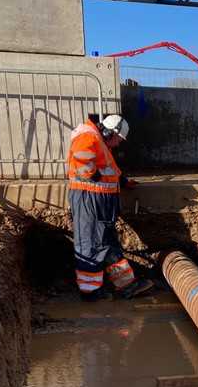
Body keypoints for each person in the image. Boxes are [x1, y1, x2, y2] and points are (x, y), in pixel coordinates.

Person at [66, 114, 154, 301]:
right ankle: (90, 291)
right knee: (92, 244)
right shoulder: (88, 136)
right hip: (90, 198)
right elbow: (81, 158)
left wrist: (123, 181)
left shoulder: (99, 141)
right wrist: (94, 176)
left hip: (98, 201)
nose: (119, 144)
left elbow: (108, 167)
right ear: (109, 132)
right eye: (118, 139)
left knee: (106, 242)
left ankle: (126, 285)